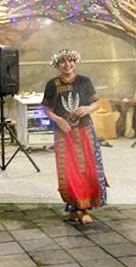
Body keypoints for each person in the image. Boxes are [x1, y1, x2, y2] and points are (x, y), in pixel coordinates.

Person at [42, 49, 109, 224]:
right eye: (63, 62)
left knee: (88, 168)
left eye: (71, 61)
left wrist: (87, 109)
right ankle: (77, 207)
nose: (67, 65)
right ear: (57, 65)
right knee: (69, 171)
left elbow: (97, 102)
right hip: (64, 134)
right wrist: (58, 120)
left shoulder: (84, 81)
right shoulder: (52, 84)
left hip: (85, 130)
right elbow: (46, 108)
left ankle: (81, 208)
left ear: (75, 62)